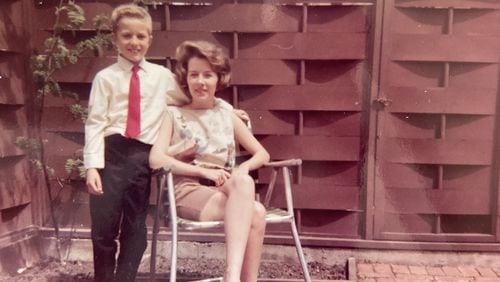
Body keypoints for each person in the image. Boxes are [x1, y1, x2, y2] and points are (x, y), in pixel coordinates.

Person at [149, 40, 270, 282]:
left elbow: (262, 154)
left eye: (207, 75)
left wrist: (243, 167)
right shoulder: (173, 114)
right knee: (256, 212)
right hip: (187, 190)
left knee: (246, 188)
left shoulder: (227, 115)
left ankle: (232, 277)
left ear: (218, 79)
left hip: (224, 187)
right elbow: (155, 158)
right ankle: (235, 278)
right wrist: (204, 173)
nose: (200, 82)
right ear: (186, 78)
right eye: (194, 75)